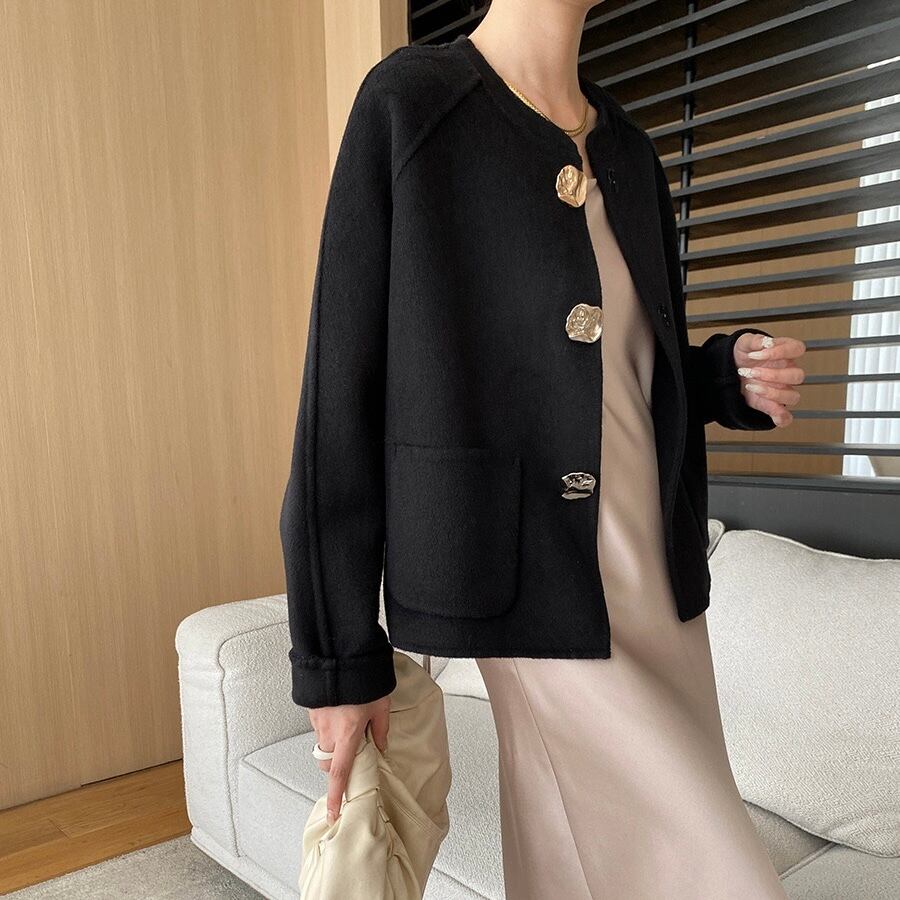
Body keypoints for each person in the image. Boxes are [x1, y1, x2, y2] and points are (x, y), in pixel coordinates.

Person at [279, 2, 806, 896]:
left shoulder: (630, 151)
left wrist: (721, 377)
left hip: (658, 580)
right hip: (528, 575)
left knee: (579, 866)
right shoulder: (411, 105)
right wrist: (338, 661)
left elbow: (618, 368)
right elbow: (341, 390)